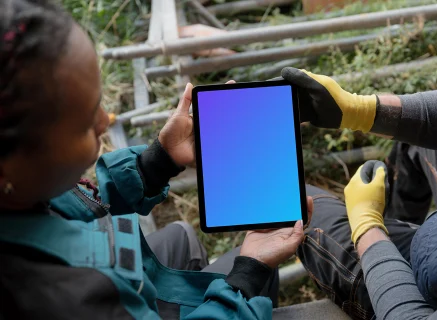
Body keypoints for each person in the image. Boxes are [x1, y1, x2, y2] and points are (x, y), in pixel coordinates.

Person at [0, 1, 315, 319]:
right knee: (256, 276)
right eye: (84, 123)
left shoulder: (18, 192)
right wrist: (249, 273)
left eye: (99, 102)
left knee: (182, 236)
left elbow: (78, 210)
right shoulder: (68, 299)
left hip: (133, 276)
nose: (104, 121)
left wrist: (158, 161)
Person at [282, 0, 437, 319]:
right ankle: (402, 222)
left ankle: (388, 245)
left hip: (431, 294)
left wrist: (368, 230)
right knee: (414, 143)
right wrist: (360, 110)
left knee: (303, 209)